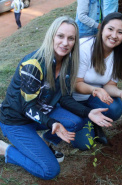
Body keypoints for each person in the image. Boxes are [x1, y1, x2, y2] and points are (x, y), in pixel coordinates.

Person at [0, 16, 113, 180]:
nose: (65, 43)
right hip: (16, 120)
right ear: (51, 36)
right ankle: (5, 150)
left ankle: (45, 141)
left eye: (71, 38)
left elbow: (65, 98)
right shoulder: (33, 64)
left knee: (79, 120)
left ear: (75, 41)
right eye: (60, 36)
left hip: (40, 114)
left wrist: (88, 113)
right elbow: (27, 108)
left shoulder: (68, 63)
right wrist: (53, 123)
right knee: (50, 171)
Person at [73, 12, 122, 145]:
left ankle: (94, 120)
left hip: (93, 98)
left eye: (120, 32)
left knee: (115, 108)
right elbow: (76, 84)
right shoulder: (85, 48)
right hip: (72, 101)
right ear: (102, 28)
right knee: (84, 144)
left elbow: (109, 85)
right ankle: (82, 118)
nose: (114, 35)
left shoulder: (119, 54)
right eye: (110, 29)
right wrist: (95, 90)